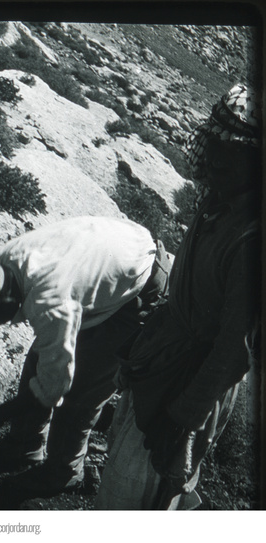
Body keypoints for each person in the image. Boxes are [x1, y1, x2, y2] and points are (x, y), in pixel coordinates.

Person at [0, 216, 171, 497]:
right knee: (41, 359)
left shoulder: (51, 302)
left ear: (6, 306)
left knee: (80, 392)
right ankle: (24, 448)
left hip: (140, 285)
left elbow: (55, 384)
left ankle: (64, 473)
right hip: (108, 254)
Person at [95, 84, 261, 509]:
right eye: (216, 144)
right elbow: (186, 290)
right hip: (161, 356)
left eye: (236, 151)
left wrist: (183, 419)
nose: (217, 159)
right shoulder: (219, 197)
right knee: (128, 470)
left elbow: (233, 352)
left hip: (189, 382)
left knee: (136, 491)